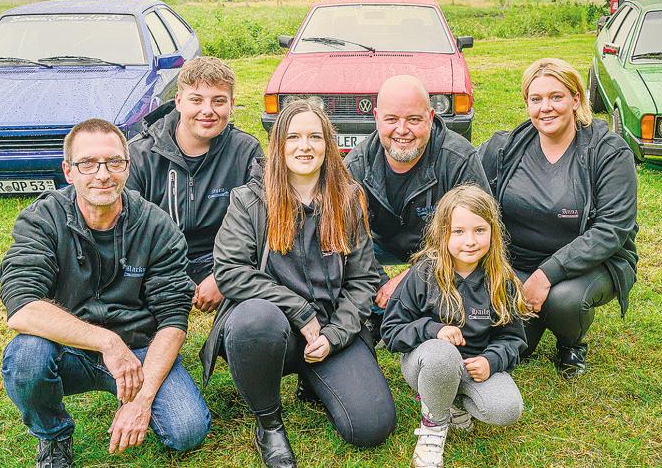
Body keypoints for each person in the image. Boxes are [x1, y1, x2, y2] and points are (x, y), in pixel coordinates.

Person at [0, 119, 210, 468]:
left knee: (186, 431)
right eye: (88, 164)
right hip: (69, 347)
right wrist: (107, 343)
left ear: (127, 166)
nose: (102, 174)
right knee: (26, 357)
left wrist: (141, 400)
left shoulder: (157, 226)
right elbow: (23, 307)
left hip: (139, 349)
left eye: (114, 162)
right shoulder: (42, 219)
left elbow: (173, 320)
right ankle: (53, 436)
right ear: (68, 171)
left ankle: (136, 392)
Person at [200, 99, 396, 467]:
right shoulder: (249, 200)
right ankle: (269, 422)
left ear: (328, 144)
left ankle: (315, 380)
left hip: (329, 328)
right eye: (293, 137)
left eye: (314, 137)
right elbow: (229, 270)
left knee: (372, 427)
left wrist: (335, 334)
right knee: (255, 319)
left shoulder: (349, 199)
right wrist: (299, 310)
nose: (304, 146)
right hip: (272, 330)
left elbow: (362, 278)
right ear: (278, 145)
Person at [478, 58, 638, 379]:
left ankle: (571, 342)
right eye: (536, 99)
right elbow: (460, 176)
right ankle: (530, 322)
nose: (545, 108)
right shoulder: (505, 148)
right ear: (526, 103)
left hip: (588, 264)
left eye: (556, 97)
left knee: (564, 303)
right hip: (518, 264)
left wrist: (546, 274)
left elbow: (612, 229)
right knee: (513, 343)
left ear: (576, 99)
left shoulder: (608, 152)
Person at [382, 184, 529, 468]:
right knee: (442, 355)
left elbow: (513, 339)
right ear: (442, 233)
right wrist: (433, 330)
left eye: (479, 230)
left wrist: (491, 360)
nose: (470, 241)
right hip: (428, 362)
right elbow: (391, 331)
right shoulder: (424, 273)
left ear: (493, 232)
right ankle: (434, 423)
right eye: (458, 232)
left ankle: (452, 402)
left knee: (507, 409)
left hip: (473, 369)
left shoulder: (500, 279)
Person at [344, 74, 489, 339]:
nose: (402, 130)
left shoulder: (459, 159)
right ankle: (373, 321)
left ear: (430, 117)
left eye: (413, 119)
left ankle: (430, 317)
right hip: (380, 244)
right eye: (391, 119)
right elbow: (352, 240)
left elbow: (480, 233)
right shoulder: (355, 166)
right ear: (376, 117)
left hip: (444, 247)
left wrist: (410, 279)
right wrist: (380, 282)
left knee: (470, 258)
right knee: (339, 258)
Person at [126, 56, 263, 314]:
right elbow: (129, 230)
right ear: (178, 101)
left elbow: (258, 227)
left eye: (218, 101)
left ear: (232, 105)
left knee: (253, 312)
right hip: (158, 260)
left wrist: (224, 276)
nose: (207, 110)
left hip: (220, 258)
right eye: (196, 100)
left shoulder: (246, 151)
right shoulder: (140, 155)